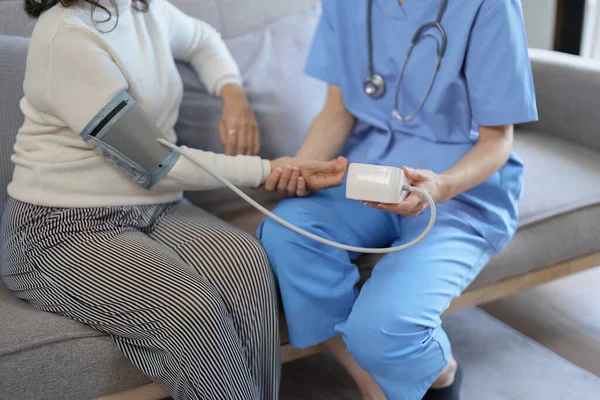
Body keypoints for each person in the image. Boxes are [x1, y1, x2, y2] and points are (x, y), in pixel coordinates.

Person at [0, 0, 347, 399]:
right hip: (59, 227)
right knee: (191, 310)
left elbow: (202, 39)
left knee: (247, 265)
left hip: (159, 206)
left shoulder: (140, 8)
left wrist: (232, 92)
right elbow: (157, 162)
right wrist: (269, 170)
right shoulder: (66, 37)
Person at [258, 0, 538, 399]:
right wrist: (304, 167)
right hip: (363, 173)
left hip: (457, 189)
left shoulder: (488, 6)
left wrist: (439, 186)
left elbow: (497, 141)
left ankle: (441, 375)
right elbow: (338, 111)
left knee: (385, 327)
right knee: (285, 233)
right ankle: (372, 386)